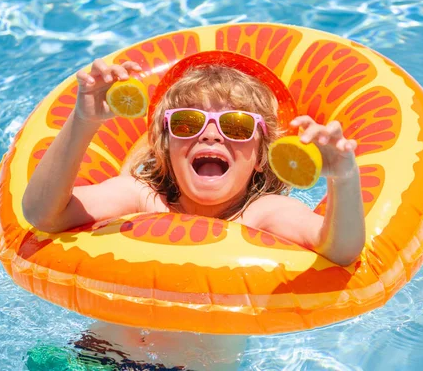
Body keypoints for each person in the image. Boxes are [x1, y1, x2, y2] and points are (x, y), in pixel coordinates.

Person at [22, 54, 365, 267]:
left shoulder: (262, 214)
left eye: (237, 125)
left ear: (262, 156)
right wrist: (85, 119)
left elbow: (340, 250)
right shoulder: (142, 199)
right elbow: (43, 215)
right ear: (165, 146)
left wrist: (343, 177)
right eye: (187, 122)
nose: (212, 135)